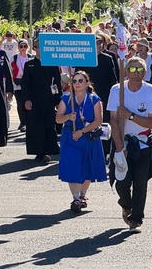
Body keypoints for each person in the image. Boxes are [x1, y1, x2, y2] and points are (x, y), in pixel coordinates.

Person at [108, 57, 152, 231]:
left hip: (143, 142)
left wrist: (130, 115)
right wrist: (120, 147)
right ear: (126, 72)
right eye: (132, 70)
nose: (136, 74)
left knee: (140, 182)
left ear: (145, 73)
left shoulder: (151, 92)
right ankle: (126, 205)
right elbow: (114, 121)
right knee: (122, 182)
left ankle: (136, 218)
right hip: (122, 141)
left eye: (139, 70)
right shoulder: (117, 90)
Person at [56, 71, 107, 213]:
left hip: (88, 136)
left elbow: (98, 120)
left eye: (80, 81)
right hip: (70, 136)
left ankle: (82, 195)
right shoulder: (66, 99)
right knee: (72, 165)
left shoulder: (94, 99)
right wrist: (67, 116)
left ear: (87, 83)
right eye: (74, 81)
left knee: (87, 165)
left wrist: (82, 131)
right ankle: (75, 198)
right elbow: (58, 118)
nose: (77, 84)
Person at [20, 40, 61, 163]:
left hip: (48, 100)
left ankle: (50, 150)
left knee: (49, 125)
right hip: (34, 101)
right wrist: (26, 99)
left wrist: (58, 100)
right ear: (35, 48)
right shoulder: (29, 65)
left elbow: (56, 83)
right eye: (39, 47)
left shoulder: (52, 64)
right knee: (35, 126)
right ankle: (38, 151)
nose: (41, 50)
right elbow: (25, 84)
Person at [11, 39, 34, 132]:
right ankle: (23, 122)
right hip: (18, 84)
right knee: (20, 104)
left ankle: (29, 121)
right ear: (18, 47)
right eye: (21, 46)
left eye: (25, 46)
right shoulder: (15, 57)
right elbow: (11, 70)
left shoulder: (31, 57)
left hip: (29, 85)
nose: (23, 48)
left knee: (29, 103)